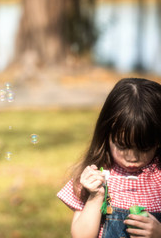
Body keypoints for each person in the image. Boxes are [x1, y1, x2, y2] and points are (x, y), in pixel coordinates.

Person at [57, 78, 161, 238]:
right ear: (106, 135)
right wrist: (95, 197)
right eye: (122, 145)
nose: (132, 157)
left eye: (144, 148)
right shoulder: (95, 177)